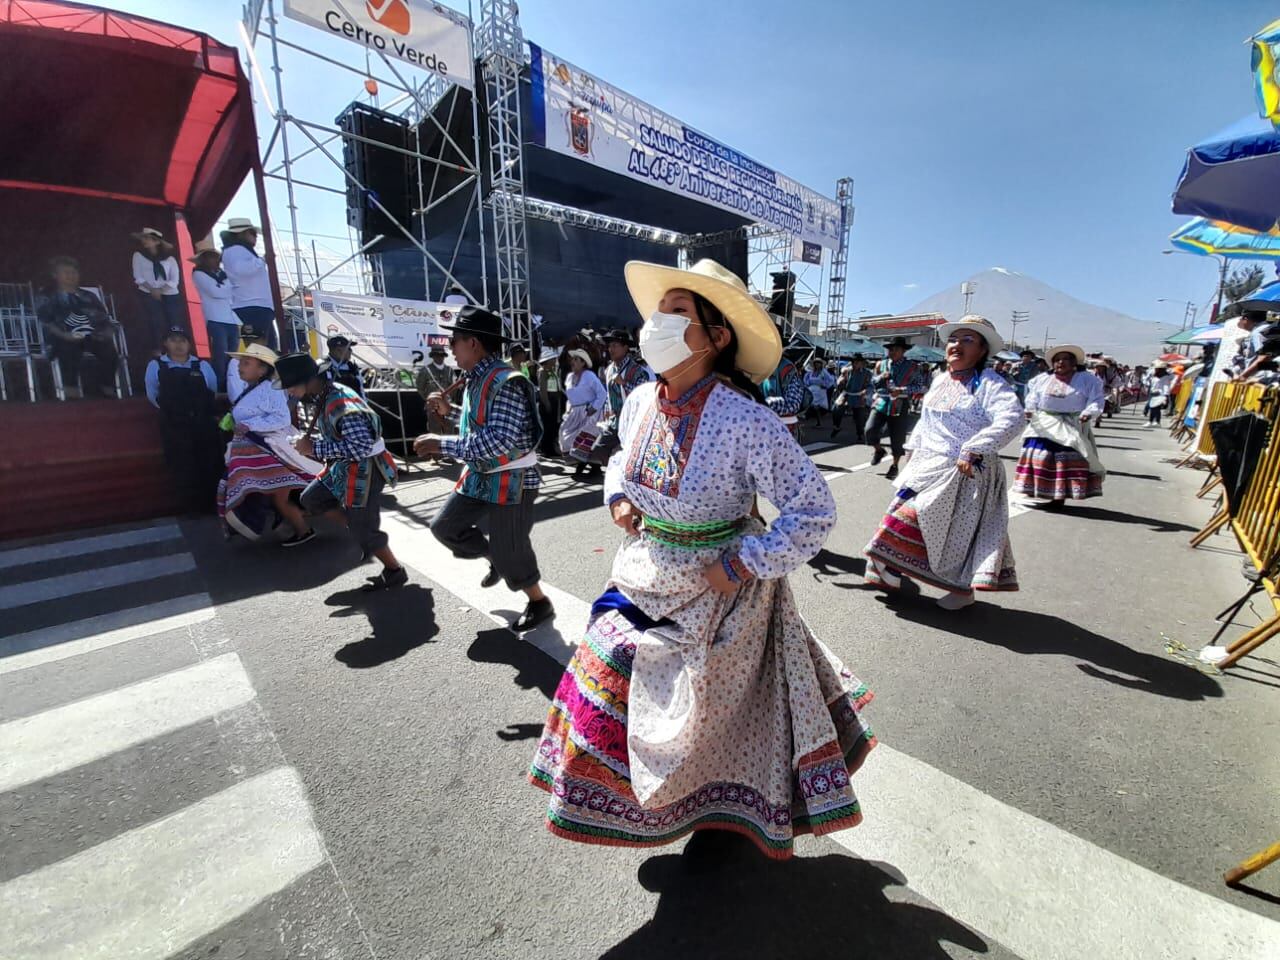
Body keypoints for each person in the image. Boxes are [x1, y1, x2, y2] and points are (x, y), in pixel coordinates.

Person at [529, 258, 876, 859]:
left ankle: (718, 811)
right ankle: (660, 808)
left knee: (710, 714)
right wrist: (618, 498)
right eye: (660, 310)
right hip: (642, 571)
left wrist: (742, 564)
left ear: (716, 337)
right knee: (608, 676)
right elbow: (620, 457)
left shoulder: (747, 420)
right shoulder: (640, 399)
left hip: (722, 589)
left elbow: (813, 510)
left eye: (678, 311)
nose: (658, 321)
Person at [864, 315, 1022, 611]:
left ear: (982, 350)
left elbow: (1013, 419)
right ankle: (893, 570)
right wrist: (911, 450)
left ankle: (960, 590)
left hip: (965, 472)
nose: (957, 345)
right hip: (929, 467)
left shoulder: (990, 384)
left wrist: (973, 448)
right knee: (907, 519)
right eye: (953, 339)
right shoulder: (940, 380)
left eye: (968, 340)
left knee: (949, 532)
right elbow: (927, 421)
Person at [413, 305, 553, 631]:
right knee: (445, 527)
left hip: (513, 478)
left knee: (511, 551)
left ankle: (539, 602)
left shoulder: (507, 381)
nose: (450, 347)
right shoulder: (477, 378)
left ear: (473, 343)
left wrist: (440, 444)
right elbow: (478, 425)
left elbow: (498, 441)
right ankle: (495, 558)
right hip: (482, 474)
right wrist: (449, 412)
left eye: (455, 341)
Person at [277, 353, 407, 589]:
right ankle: (359, 529)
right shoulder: (326, 394)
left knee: (364, 529)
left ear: (308, 381)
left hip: (365, 470)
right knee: (312, 498)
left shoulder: (341, 404)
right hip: (344, 466)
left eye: (292, 386)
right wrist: (312, 443)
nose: (290, 392)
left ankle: (394, 570)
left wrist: (313, 448)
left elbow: (360, 448)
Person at [219, 343, 320, 545]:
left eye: (246, 363)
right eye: (241, 362)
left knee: (278, 497)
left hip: (272, 452)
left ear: (262, 369)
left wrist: (249, 425)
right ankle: (292, 526)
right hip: (260, 452)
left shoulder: (268, 389)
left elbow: (282, 418)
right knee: (272, 495)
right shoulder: (253, 389)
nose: (240, 366)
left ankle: (304, 530)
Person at [1013, 345, 1106, 511]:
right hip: (1044, 422)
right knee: (1039, 455)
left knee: (1063, 459)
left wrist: (1089, 412)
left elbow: (1096, 399)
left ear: (1074, 362)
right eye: (1057, 360)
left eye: (1066, 359)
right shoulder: (1042, 379)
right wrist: (1030, 409)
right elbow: (1033, 397)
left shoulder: (1087, 379)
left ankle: (1059, 497)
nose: (1061, 362)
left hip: (1071, 423)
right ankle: (1040, 490)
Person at [144, 327, 222, 512]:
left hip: (202, 423)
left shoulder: (202, 365)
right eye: (173, 340)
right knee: (182, 465)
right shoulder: (156, 365)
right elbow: (152, 394)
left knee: (208, 462)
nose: (178, 345)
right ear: (166, 343)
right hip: (174, 425)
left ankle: (212, 505)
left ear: (189, 344)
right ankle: (191, 507)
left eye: (182, 340)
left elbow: (212, 389)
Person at [36, 256, 119, 399]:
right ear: (55, 275)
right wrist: (65, 335)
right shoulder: (47, 296)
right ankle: (71, 392)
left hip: (90, 335)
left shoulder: (89, 296)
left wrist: (107, 332)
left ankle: (106, 389)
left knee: (109, 350)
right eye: (66, 272)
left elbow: (104, 319)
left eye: (74, 272)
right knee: (68, 350)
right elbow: (46, 322)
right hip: (61, 336)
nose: (71, 276)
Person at [866, 336, 927, 480]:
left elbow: (920, 387)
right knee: (869, 429)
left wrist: (902, 390)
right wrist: (881, 377)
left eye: (895, 349)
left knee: (897, 437)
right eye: (890, 349)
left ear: (903, 351)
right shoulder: (881, 364)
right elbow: (872, 381)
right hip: (881, 401)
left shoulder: (913, 367)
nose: (892, 352)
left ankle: (894, 465)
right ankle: (879, 450)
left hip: (900, 403)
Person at [590, 327, 652, 466]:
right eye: (610, 346)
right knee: (598, 451)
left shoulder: (637, 371)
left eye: (615, 345)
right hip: (615, 421)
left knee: (629, 454)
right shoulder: (610, 369)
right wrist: (607, 410)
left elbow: (643, 396)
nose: (611, 349)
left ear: (625, 348)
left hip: (632, 421)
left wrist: (624, 383)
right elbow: (608, 393)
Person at [220, 217, 279, 350]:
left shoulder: (240, 250)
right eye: (252, 233)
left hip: (256, 306)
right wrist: (263, 260)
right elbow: (241, 270)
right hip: (251, 306)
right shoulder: (234, 250)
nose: (256, 236)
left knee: (266, 348)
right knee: (259, 348)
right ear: (241, 234)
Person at [188, 244, 237, 390]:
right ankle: (219, 386)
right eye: (211, 257)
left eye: (216, 257)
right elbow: (215, 292)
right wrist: (229, 286)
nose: (215, 260)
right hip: (215, 318)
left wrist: (226, 287)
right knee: (220, 355)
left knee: (233, 356)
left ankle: (232, 384)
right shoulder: (198, 274)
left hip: (232, 319)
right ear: (203, 259)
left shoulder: (224, 275)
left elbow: (232, 290)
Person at [131, 227, 183, 349]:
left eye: (148, 238)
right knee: (155, 322)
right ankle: (159, 349)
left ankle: (176, 349)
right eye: (143, 238)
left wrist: (160, 290)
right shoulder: (138, 256)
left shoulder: (169, 258)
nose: (144, 241)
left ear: (157, 242)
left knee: (174, 322)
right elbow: (138, 276)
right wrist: (152, 290)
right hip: (148, 292)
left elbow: (174, 280)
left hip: (170, 293)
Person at [560, 348, 608, 479]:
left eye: (576, 359)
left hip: (590, 413)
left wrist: (594, 408)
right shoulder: (569, 377)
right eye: (573, 359)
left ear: (583, 363)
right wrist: (568, 411)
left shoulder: (589, 376)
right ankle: (582, 463)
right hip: (575, 413)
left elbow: (602, 393)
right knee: (566, 435)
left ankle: (592, 467)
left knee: (584, 437)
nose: (573, 361)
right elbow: (570, 397)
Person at [760, 342, 806, 439]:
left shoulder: (786, 367)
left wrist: (764, 405)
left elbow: (793, 403)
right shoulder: (756, 366)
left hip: (782, 429)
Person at [831, 354, 872, 441]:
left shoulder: (867, 373)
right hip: (847, 393)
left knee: (859, 416)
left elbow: (870, 385)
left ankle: (860, 434)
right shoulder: (847, 371)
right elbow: (838, 383)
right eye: (853, 362)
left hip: (859, 395)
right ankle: (836, 427)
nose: (854, 364)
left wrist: (865, 391)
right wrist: (840, 382)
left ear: (861, 363)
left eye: (857, 362)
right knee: (836, 408)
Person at [415, 345, 455, 434]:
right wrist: (429, 399)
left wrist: (448, 400)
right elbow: (420, 387)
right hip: (433, 407)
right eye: (436, 355)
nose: (439, 357)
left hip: (447, 405)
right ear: (432, 356)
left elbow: (454, 388)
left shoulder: (450, 371)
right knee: (434, 432)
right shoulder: (425, 370)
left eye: (441, 355)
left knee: (449, 431)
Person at [536, 345, 565, 459]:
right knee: (547, 426)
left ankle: (551, 448)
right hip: (548, 400)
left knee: (553, 426)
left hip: (555, 400)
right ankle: (546, 449)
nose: (555, 361)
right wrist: (547, 403)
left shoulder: (553, 372)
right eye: (553, 359)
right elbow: (543, 390)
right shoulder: (543, 372)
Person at [803, 357, 836, 426]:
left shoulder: (824, 371)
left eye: (818, 363)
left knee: (816, 407)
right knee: (811, 405)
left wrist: (826, 386)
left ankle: (815, 420)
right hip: (811, 391)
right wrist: (807, 385)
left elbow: (831, 380)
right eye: (816, 363)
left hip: (819, 391)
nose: (817, 364)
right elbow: (805, 379)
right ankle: (812, 419)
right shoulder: (811, 372)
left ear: (821, 364)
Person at [1144, 362, 1174, 428]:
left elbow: (1166, 386)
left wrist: (1165, 396)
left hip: (1160, 394)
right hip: (1153, 393)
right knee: (1153, 408)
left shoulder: (1165, 377)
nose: (1155, 369)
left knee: (1155, 408)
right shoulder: (1155, 376)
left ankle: (1154, 421)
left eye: (1157, 368)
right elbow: (1149, 382)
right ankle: (1154, 421)